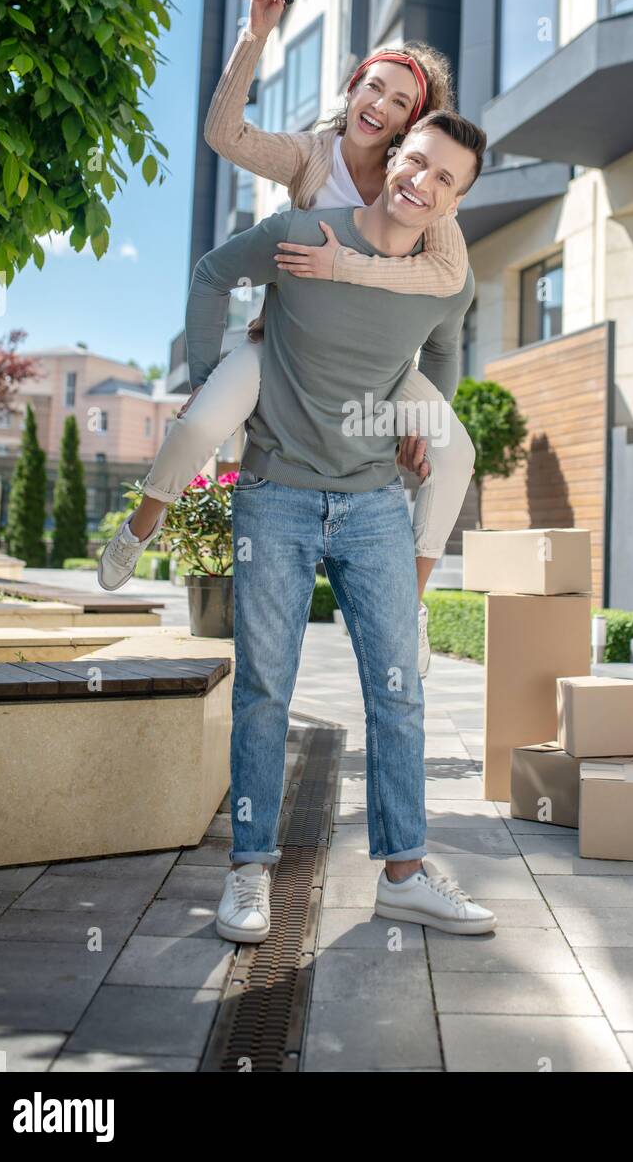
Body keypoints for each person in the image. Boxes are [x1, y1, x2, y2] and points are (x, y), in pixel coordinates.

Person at [97, 0, 476, 676]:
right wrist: (256, 36)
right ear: (353, 86)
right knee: (204, 424)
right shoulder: (310, 157)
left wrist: (418, 423)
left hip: (381, 368)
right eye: (375, 87)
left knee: (457, 455)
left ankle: (411, 603)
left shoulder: (426, 193)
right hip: (285, 346)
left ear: (411, 126)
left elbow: (448, 305)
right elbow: (224, 135)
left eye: (400, 103)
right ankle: (137, 530)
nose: (381, 106)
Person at [179, 109, 498, 941]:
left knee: (399, 694)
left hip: (372, 505)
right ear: (395, 154)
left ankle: (403, 873)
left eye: (444, 180)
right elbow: (214, 270)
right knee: (263, 691)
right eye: (416, 161)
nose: (420, 184)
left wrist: (423, 428)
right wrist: (210, 374)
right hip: (276, 493)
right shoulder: (299, 232)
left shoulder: (447, 278)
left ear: (455, 200)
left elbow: (443, 350)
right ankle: (250, 873)